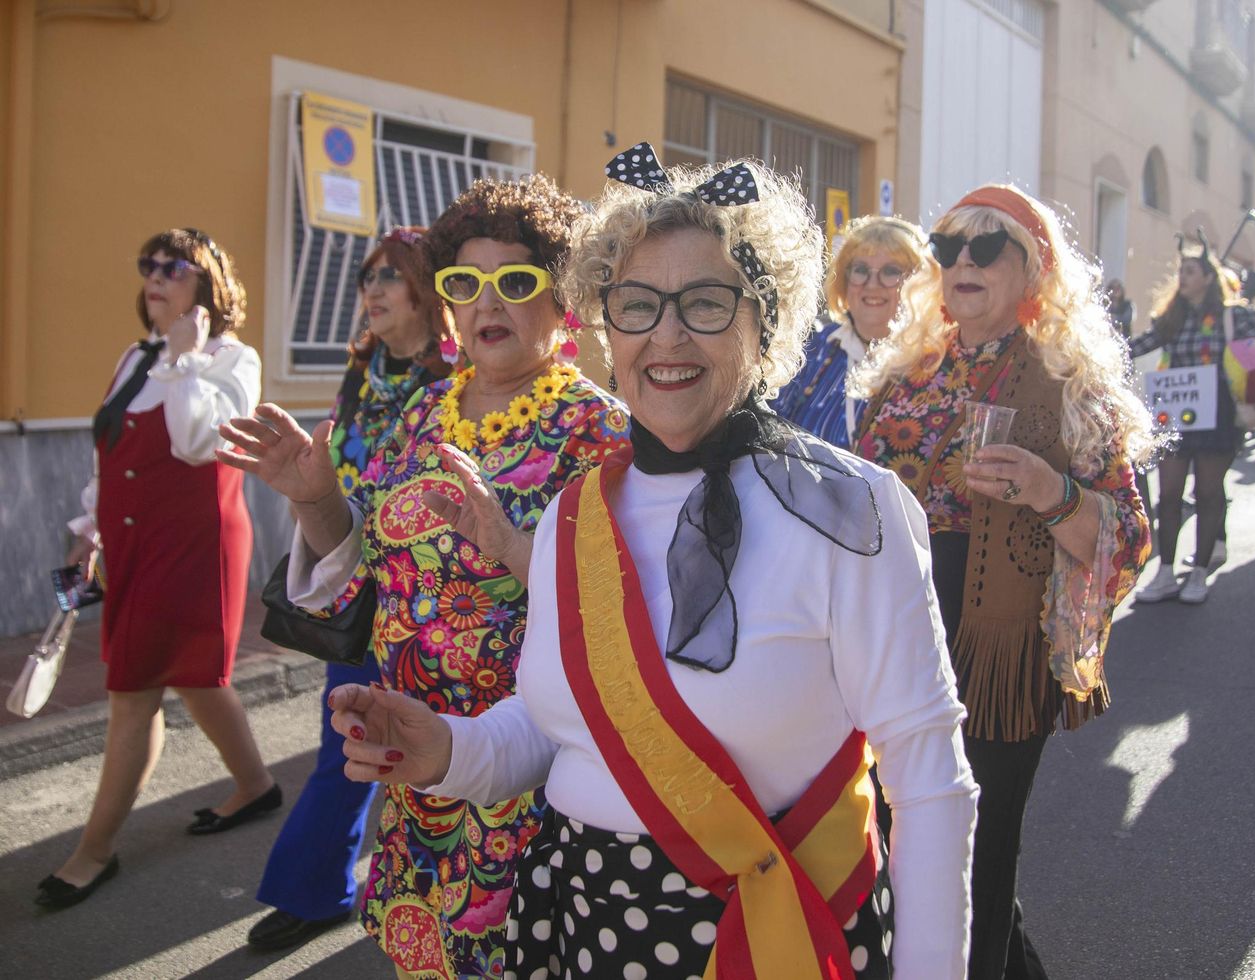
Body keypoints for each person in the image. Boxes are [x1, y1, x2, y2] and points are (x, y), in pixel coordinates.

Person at [326, 145, 979, 979]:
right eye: (637, 305)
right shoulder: (574, 510)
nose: (666, 336)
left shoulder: (851, 508)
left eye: (706, 303)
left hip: (779, 933)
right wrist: (447, 751)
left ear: (764, 321)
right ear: (607, 325)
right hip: (583, 929)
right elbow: (557, 727)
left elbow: (929, 783)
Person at [220, 176, 630, 977]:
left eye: (516, 282)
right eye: (463, 283)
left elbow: (619, 615)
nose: (488, 303)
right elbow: (359, 565)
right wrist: (317, 502)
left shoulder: (601, 431)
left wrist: (514, 547)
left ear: (565, 300)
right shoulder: (423, 412)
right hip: (417, 761)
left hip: (534, 768)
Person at [855, 183, 1154, 978]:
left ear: (1034, 271)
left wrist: (1049, 491)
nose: (963, 263)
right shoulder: (901, 377)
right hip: (897, 634)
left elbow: (1129, 535)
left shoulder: (1068, 385)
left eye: (987, 249)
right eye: (950, 248)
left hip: (997, 647)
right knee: (899, 832)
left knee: (976, 853)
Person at [38, 228, 275, 910]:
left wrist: (187, 360)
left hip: (194, 543)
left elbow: (203, 443)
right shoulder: (134, 355)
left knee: (135, 688)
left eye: (175, 267)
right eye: (149, 264)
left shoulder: (233, 358)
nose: (156, 276)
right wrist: (91, 527)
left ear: (208, 285)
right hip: (134, 543)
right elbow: (109, 452)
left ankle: (93, 852)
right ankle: (258, 786)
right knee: (195, 679)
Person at [247, 227, 455, 952]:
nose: (370, 289)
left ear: (426, 291)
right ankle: (317, 890)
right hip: (362, 588)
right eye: (367, 276)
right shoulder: (364, 372)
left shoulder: (457, 375)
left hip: (435, 599)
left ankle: (443, 906)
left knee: (438, 758)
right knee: (349, 740)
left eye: (389, 276)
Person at [1131, 237, 1255, 604]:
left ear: (1209, 278)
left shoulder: (1234, 316)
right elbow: (1139, 345)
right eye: (1180, 271)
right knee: (1168, 494)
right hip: (1176, 414)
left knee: (1209, 491)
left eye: (1191, 271)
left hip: (1218, 417)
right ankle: (1164, 572)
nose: (1182, 277)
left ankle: (1199, 571)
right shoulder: (1170, 318)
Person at [770, 215, 934, 447]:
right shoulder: (811, 348)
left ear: (918, 281)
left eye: (891, 271)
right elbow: (771, 428)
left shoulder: (932, 361)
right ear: (844, 281)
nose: (872, 283)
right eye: (860, 269)